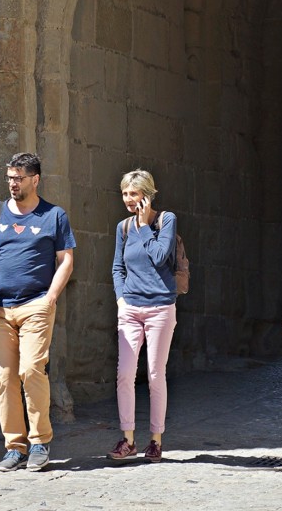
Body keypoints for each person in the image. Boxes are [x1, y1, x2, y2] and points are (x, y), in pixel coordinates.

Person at [0, 152, 76, 472]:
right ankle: (15, 447)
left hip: (36, 305)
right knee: (4, 378)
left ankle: (40, 441)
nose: (13, 183)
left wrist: (51, 297)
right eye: (10, 178)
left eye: (19, 178)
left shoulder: (54, 215)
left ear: (35, 179)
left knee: (30, 370)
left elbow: (66, 259)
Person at [109, 169, 178, 463]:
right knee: (124, 374)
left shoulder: (166, 221)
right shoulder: (123, 228)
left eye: (134, 193)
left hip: (161, 308)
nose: (128, 199)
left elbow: (161, 256)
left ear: (147, 195)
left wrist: (144, 224)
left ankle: (156, 440)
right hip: (131, 308)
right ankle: (128, 439)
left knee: (154, 374)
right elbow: (117, 268)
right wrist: (121, 299)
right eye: (125, 193)